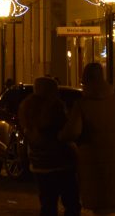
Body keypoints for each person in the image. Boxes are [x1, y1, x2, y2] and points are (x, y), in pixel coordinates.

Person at [60, 62, 115, 216]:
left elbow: (72, 132)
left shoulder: (83, 106)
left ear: (87, 81)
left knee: (103, 209)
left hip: (97, 166)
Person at [19, 77, 80, 216]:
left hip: (39, 165)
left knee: (48, 204)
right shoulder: (55, 107)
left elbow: (27, 136)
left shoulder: (27, 108)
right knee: (71, 203)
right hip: (60, 163)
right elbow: (64, 132)